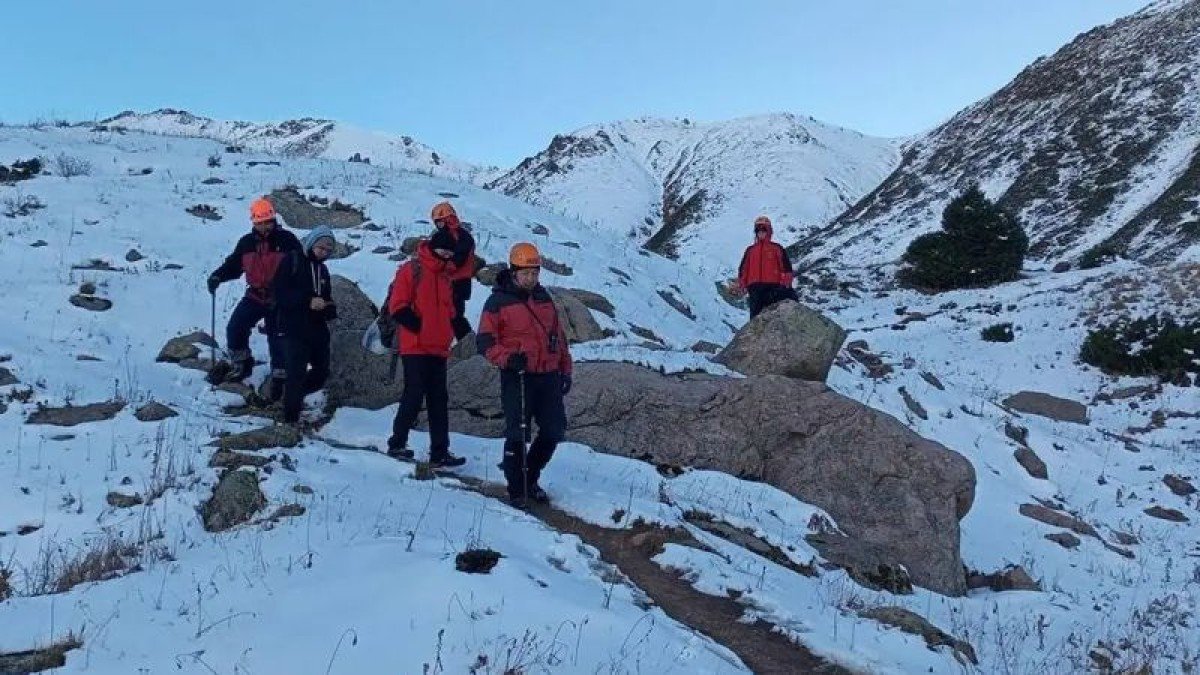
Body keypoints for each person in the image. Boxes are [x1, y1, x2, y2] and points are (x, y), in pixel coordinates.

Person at [477, 242, 572, 508]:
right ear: (514, 271)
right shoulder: (497, 301)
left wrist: (565, 369)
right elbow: (484, 342)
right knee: (518, 433)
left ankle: (530, 476)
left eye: (534, 273)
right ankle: (517, 489)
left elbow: (558, 338)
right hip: (517, 375)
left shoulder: (544, 299)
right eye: (525, 273)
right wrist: (507, 358)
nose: (530, 278)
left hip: (548, 375)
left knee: (553, 431)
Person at [385, 228, 466, 467]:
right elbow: (398, 305)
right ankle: (397, 443)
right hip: (415, 346)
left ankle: (439, 452)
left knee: (438, 400)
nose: (446, 255)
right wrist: (419, 327)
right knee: (414, 394)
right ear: (433, 247)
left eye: (450, 252)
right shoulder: (412, 269)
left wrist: (458, 329)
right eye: (443, 250)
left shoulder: (445, 276)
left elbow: (450, 311)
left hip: (438, 347)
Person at [207, 197, 302, 386]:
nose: (265, 226)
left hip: (281, 299)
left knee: (277, 337)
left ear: (274, 220)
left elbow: (301, 269)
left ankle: (280, 376)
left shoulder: (288, 241)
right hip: (255, 296)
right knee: (235, 328)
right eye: (260, 222)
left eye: (268, 221)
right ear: (254, 222)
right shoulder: (246, 243)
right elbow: (233, 265)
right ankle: (243, 363)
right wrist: (217, 276)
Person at [273, 226, 337, 425]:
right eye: (321, 248)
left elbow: (327, 298)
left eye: (328, 250)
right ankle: (290, 420)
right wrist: (307, 300)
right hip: (293, 328)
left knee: (321, 372)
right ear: (311, 243)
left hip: (317, 329)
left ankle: (292, 399)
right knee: (296, 373)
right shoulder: (292, 261)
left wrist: (329, 308)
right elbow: (280, 293)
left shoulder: (323, 270)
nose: (324, 253)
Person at [430, 201, 477, 340]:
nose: (438, 226)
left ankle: (468, 343)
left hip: (457, 282)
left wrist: (444, 267)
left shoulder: (460, 236)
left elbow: (459, 258)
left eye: (439, 222)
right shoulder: (459, 235)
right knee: (450, 315)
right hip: (455, 281)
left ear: (446, 220)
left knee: (455, 316)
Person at [735, 215, 797, 318]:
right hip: (754, 288)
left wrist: (785, 284)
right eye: (758, 229)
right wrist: (743, 284)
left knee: (775, 316)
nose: (761, 232)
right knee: (755, 317)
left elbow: (786, 268)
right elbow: (743, 269)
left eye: (764, 229)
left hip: (773, 287)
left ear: (769, 231)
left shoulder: (777, 248)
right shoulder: (750, 250)